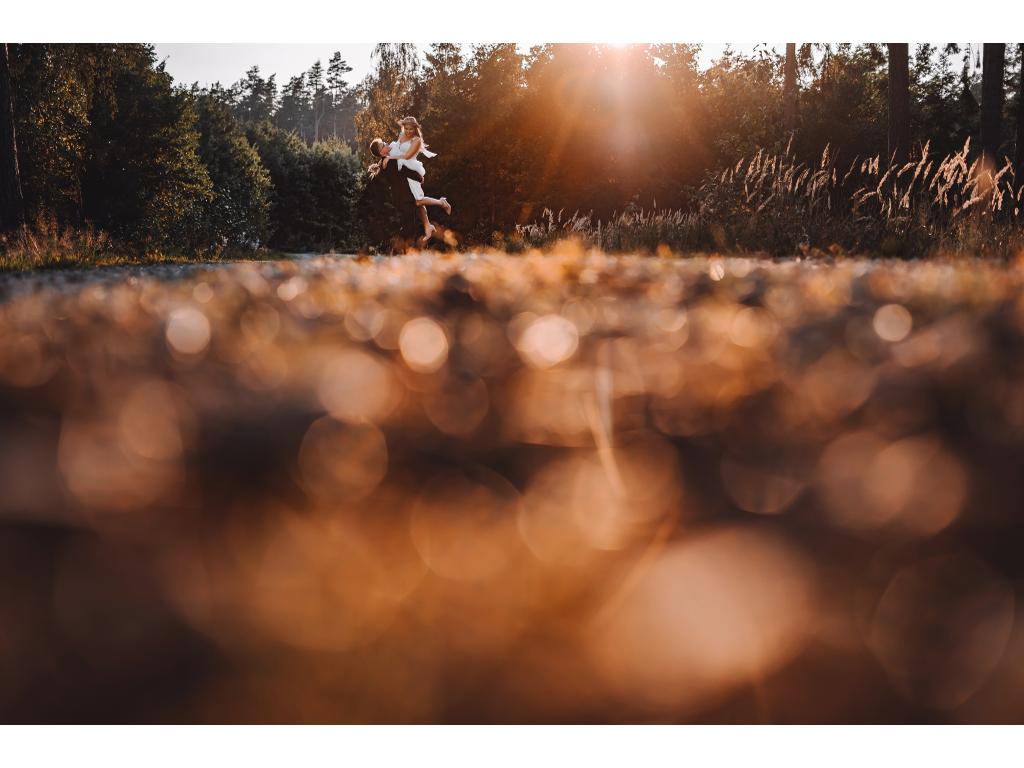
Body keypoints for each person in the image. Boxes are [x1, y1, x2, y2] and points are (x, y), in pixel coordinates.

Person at [368, 116, 451, 245]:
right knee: (418, 201)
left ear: (415, 128)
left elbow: (406, 157)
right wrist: (387, 159)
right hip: (405, 172)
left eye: (411, 128)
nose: (386, 143)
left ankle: (441, 202)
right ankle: (428, 226)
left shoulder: (416, 141)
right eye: (406, 128)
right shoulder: (395, 144)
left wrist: (392, 158)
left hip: (411, 167)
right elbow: (387, 159)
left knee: (418, 201)